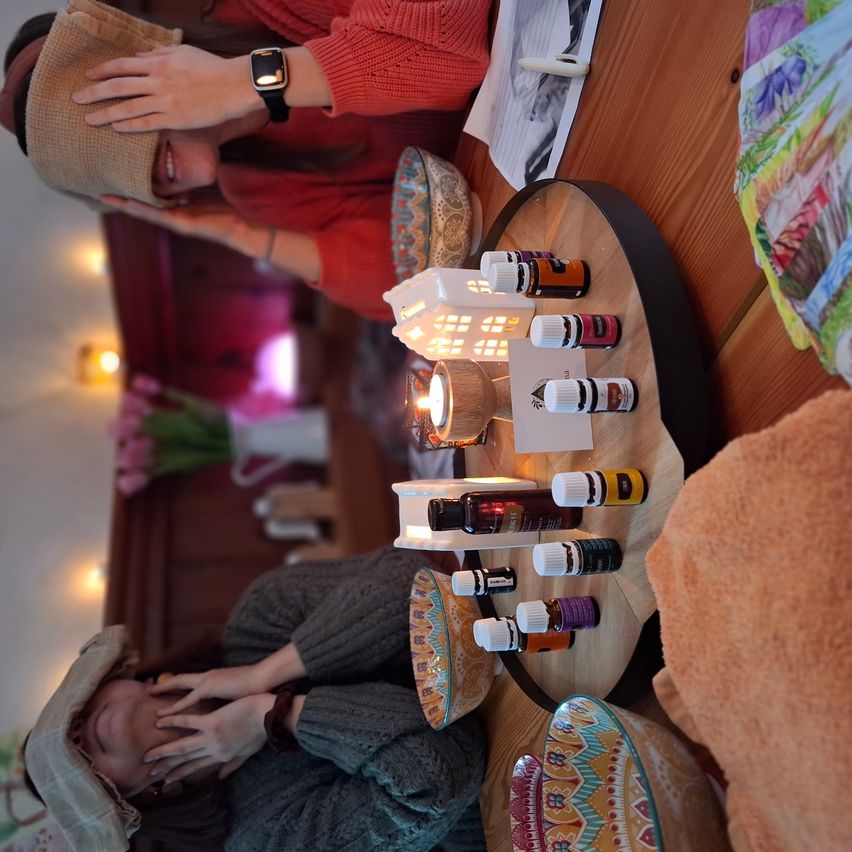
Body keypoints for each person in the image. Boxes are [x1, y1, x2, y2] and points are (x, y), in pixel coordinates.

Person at [1, 0, 491, 320]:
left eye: (127, 127)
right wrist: (238, 234)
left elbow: (446, 46)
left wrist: (249, 80)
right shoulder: (256, 186)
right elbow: (415, 288)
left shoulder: (260, 10)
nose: (154, 176)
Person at [24, 546, 487, 851]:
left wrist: (265, 674)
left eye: (73, 720)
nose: (83, 734)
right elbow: (442, 774)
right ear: (142, 795)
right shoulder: (262, 837)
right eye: (81, 765)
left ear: (127, 678)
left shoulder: (259, 616)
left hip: (518, 645)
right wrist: (277, 714)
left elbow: (420, 583)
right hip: (535, 784)